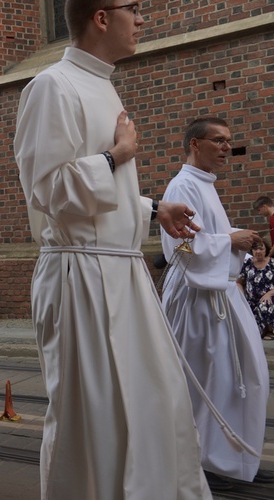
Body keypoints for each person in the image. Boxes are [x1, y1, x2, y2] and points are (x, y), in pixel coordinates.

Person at [13, 2, 210, 498]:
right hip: (81, 279)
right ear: (101, 17)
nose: (141, 19)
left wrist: (152, 209)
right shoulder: (51, 87)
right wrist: (115, 156)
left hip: (119, 275)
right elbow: (48, 191)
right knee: (92, 423)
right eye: (133, 8)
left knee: (151, 408)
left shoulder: (101, 83)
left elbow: (98, 197)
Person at [161, 117, 271, 490]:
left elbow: (203, 238)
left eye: (229, 140)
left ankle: (235, 458)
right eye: (219, 140)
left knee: (242, 377)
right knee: (210, 379)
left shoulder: (204, 185)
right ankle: (204, 462)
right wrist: (229, 241)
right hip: (197, 300)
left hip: (220, 293)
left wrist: (228, 239)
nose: (227, 147)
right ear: (195, 143)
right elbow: (181, 246)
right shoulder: (182, 186)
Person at [239, 241, 274, 339]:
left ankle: (269, 331)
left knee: (264, 305)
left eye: (261, 248)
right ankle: (261, 332)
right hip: (251, 300)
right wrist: (242, 296)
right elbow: (238, 282)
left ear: (266, 249)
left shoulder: (272, 263)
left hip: (269, 298)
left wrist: (269, 294)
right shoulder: (247, 263)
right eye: (255, 249)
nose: (258, 251)